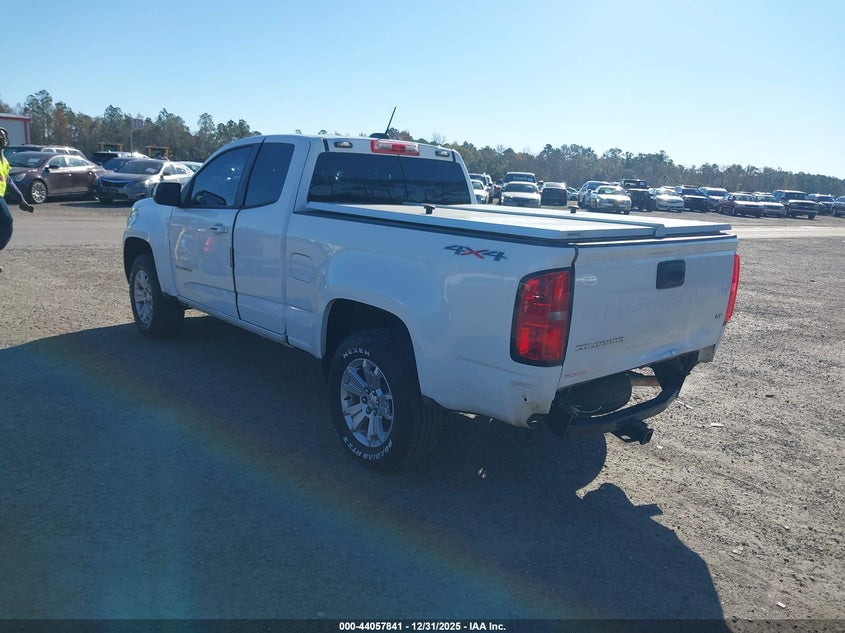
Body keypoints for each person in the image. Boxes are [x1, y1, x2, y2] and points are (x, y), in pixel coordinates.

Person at [1, 126, 35, 271]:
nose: (1, 138)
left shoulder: (4, 161)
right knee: (7, 221)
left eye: (3, 136)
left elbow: (8, 181)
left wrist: (21, 199)